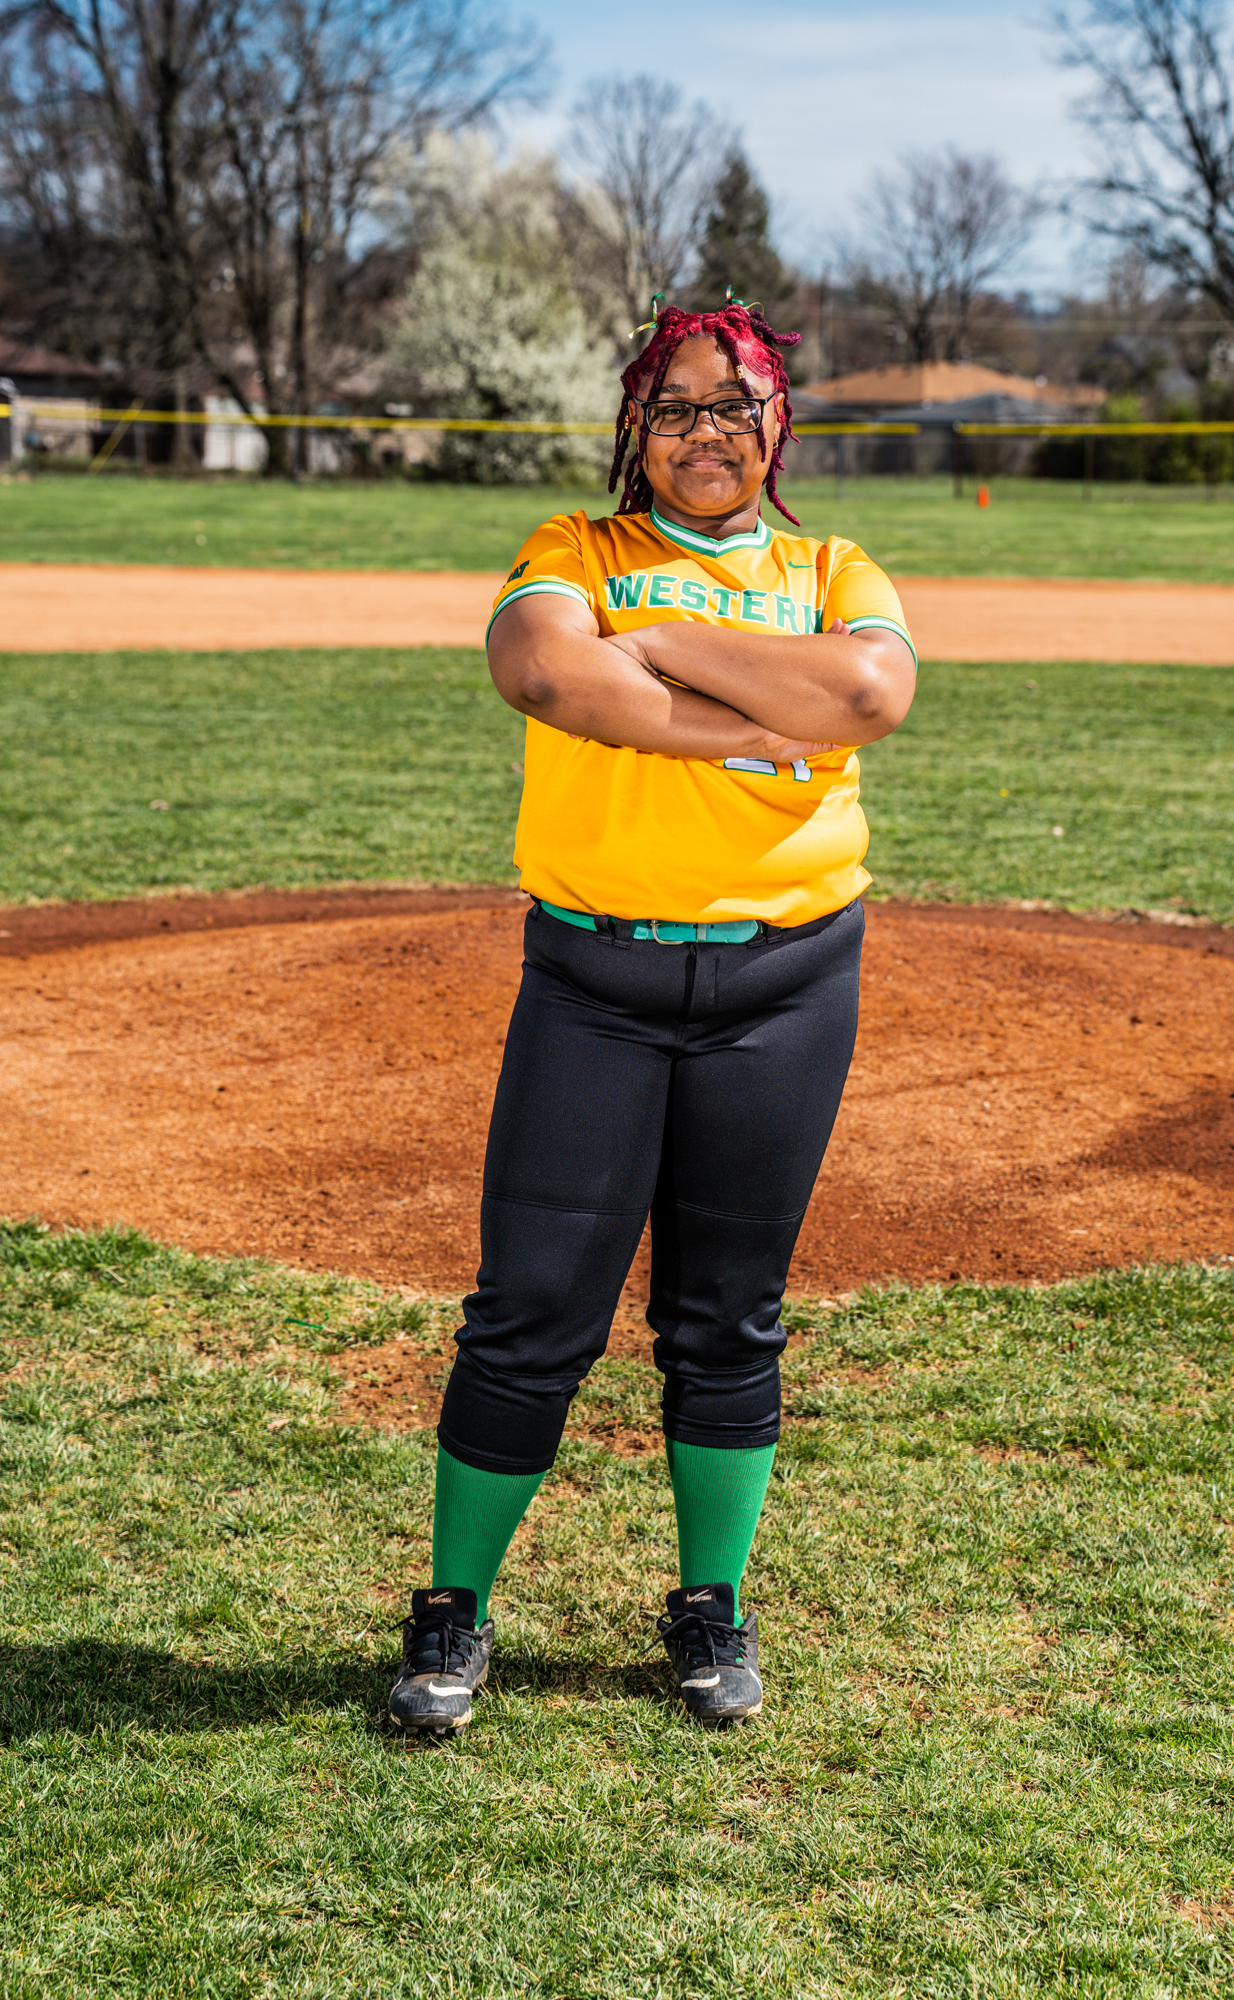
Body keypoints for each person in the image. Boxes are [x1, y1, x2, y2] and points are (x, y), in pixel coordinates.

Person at [389, 295, 917, 1735]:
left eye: (733, 405)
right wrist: (756, 727)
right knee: (530, 1312)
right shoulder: (574, 550)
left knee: (727, 1318)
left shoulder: (830, 567)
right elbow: (544, 670)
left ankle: (709, 1606)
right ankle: (452, 1609)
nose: (705, 432)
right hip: (596, 984)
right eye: (674, 407)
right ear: (635, 426)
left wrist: (669, 636)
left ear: (777, 422)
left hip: (785, 984)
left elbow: (868, 688)